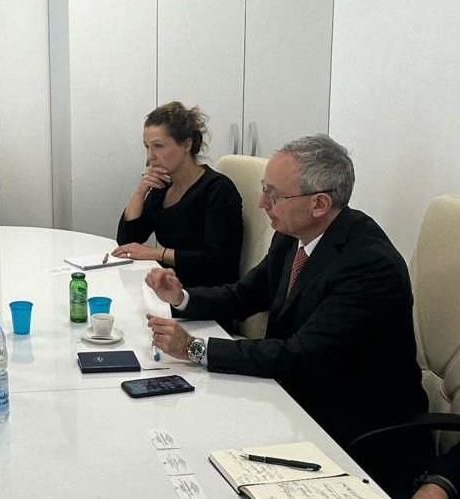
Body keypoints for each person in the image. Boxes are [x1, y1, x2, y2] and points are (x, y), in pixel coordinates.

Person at [144, 134, 427, 496]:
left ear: (319, 203)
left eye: (274, 194)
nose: (262, 203)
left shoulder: (368, 265)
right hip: (291, 399)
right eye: (264, 190)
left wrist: (195, 349)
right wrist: (182, 297)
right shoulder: (294, 234)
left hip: (354, 432)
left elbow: (299, 355)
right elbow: (246, 293)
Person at [113, 102, 243, 289]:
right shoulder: (162, 186)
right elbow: (127, 241)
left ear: (187, 145)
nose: (150, 156)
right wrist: (141, 191)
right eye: (147, 147)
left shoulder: (218, 190)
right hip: (169, 284)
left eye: (158, 146)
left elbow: (217, 260)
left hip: (205, 292)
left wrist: (157, 253)